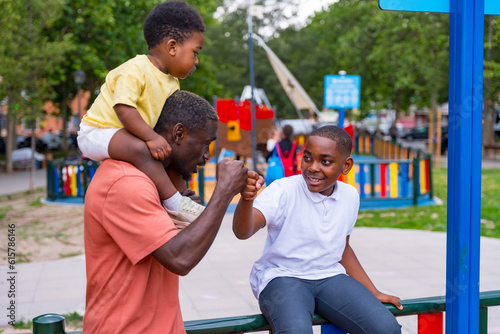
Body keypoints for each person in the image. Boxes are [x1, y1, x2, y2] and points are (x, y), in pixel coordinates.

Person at [83, 90, 260, 333]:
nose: (207, 156)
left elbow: (182, 243)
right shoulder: (125, 182)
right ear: (178, 133)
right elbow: (180, 258)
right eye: (205, 143)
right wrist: (224, 191)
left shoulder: (154, 183)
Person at [233, 125, 403, 334]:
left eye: (325, 161)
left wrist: (372, 291)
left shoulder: (350, 196)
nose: (313, 167)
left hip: (329, 276)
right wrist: (247, 200)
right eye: (307, 158)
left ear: (346, 165)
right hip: (282, 277)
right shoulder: (284, 190)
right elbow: (243, 231)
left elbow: (343, 248)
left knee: (386, 329)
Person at [77, 1, 205, 223]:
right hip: (99, 131)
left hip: (130, 133)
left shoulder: (172, 83)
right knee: (141, 150)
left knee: (172, 151)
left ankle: (183, 199)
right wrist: (151, 137)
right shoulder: (136, 69)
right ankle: (174, 203)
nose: (197, 61)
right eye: (195, 53)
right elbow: (123, 109)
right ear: (172, 47)